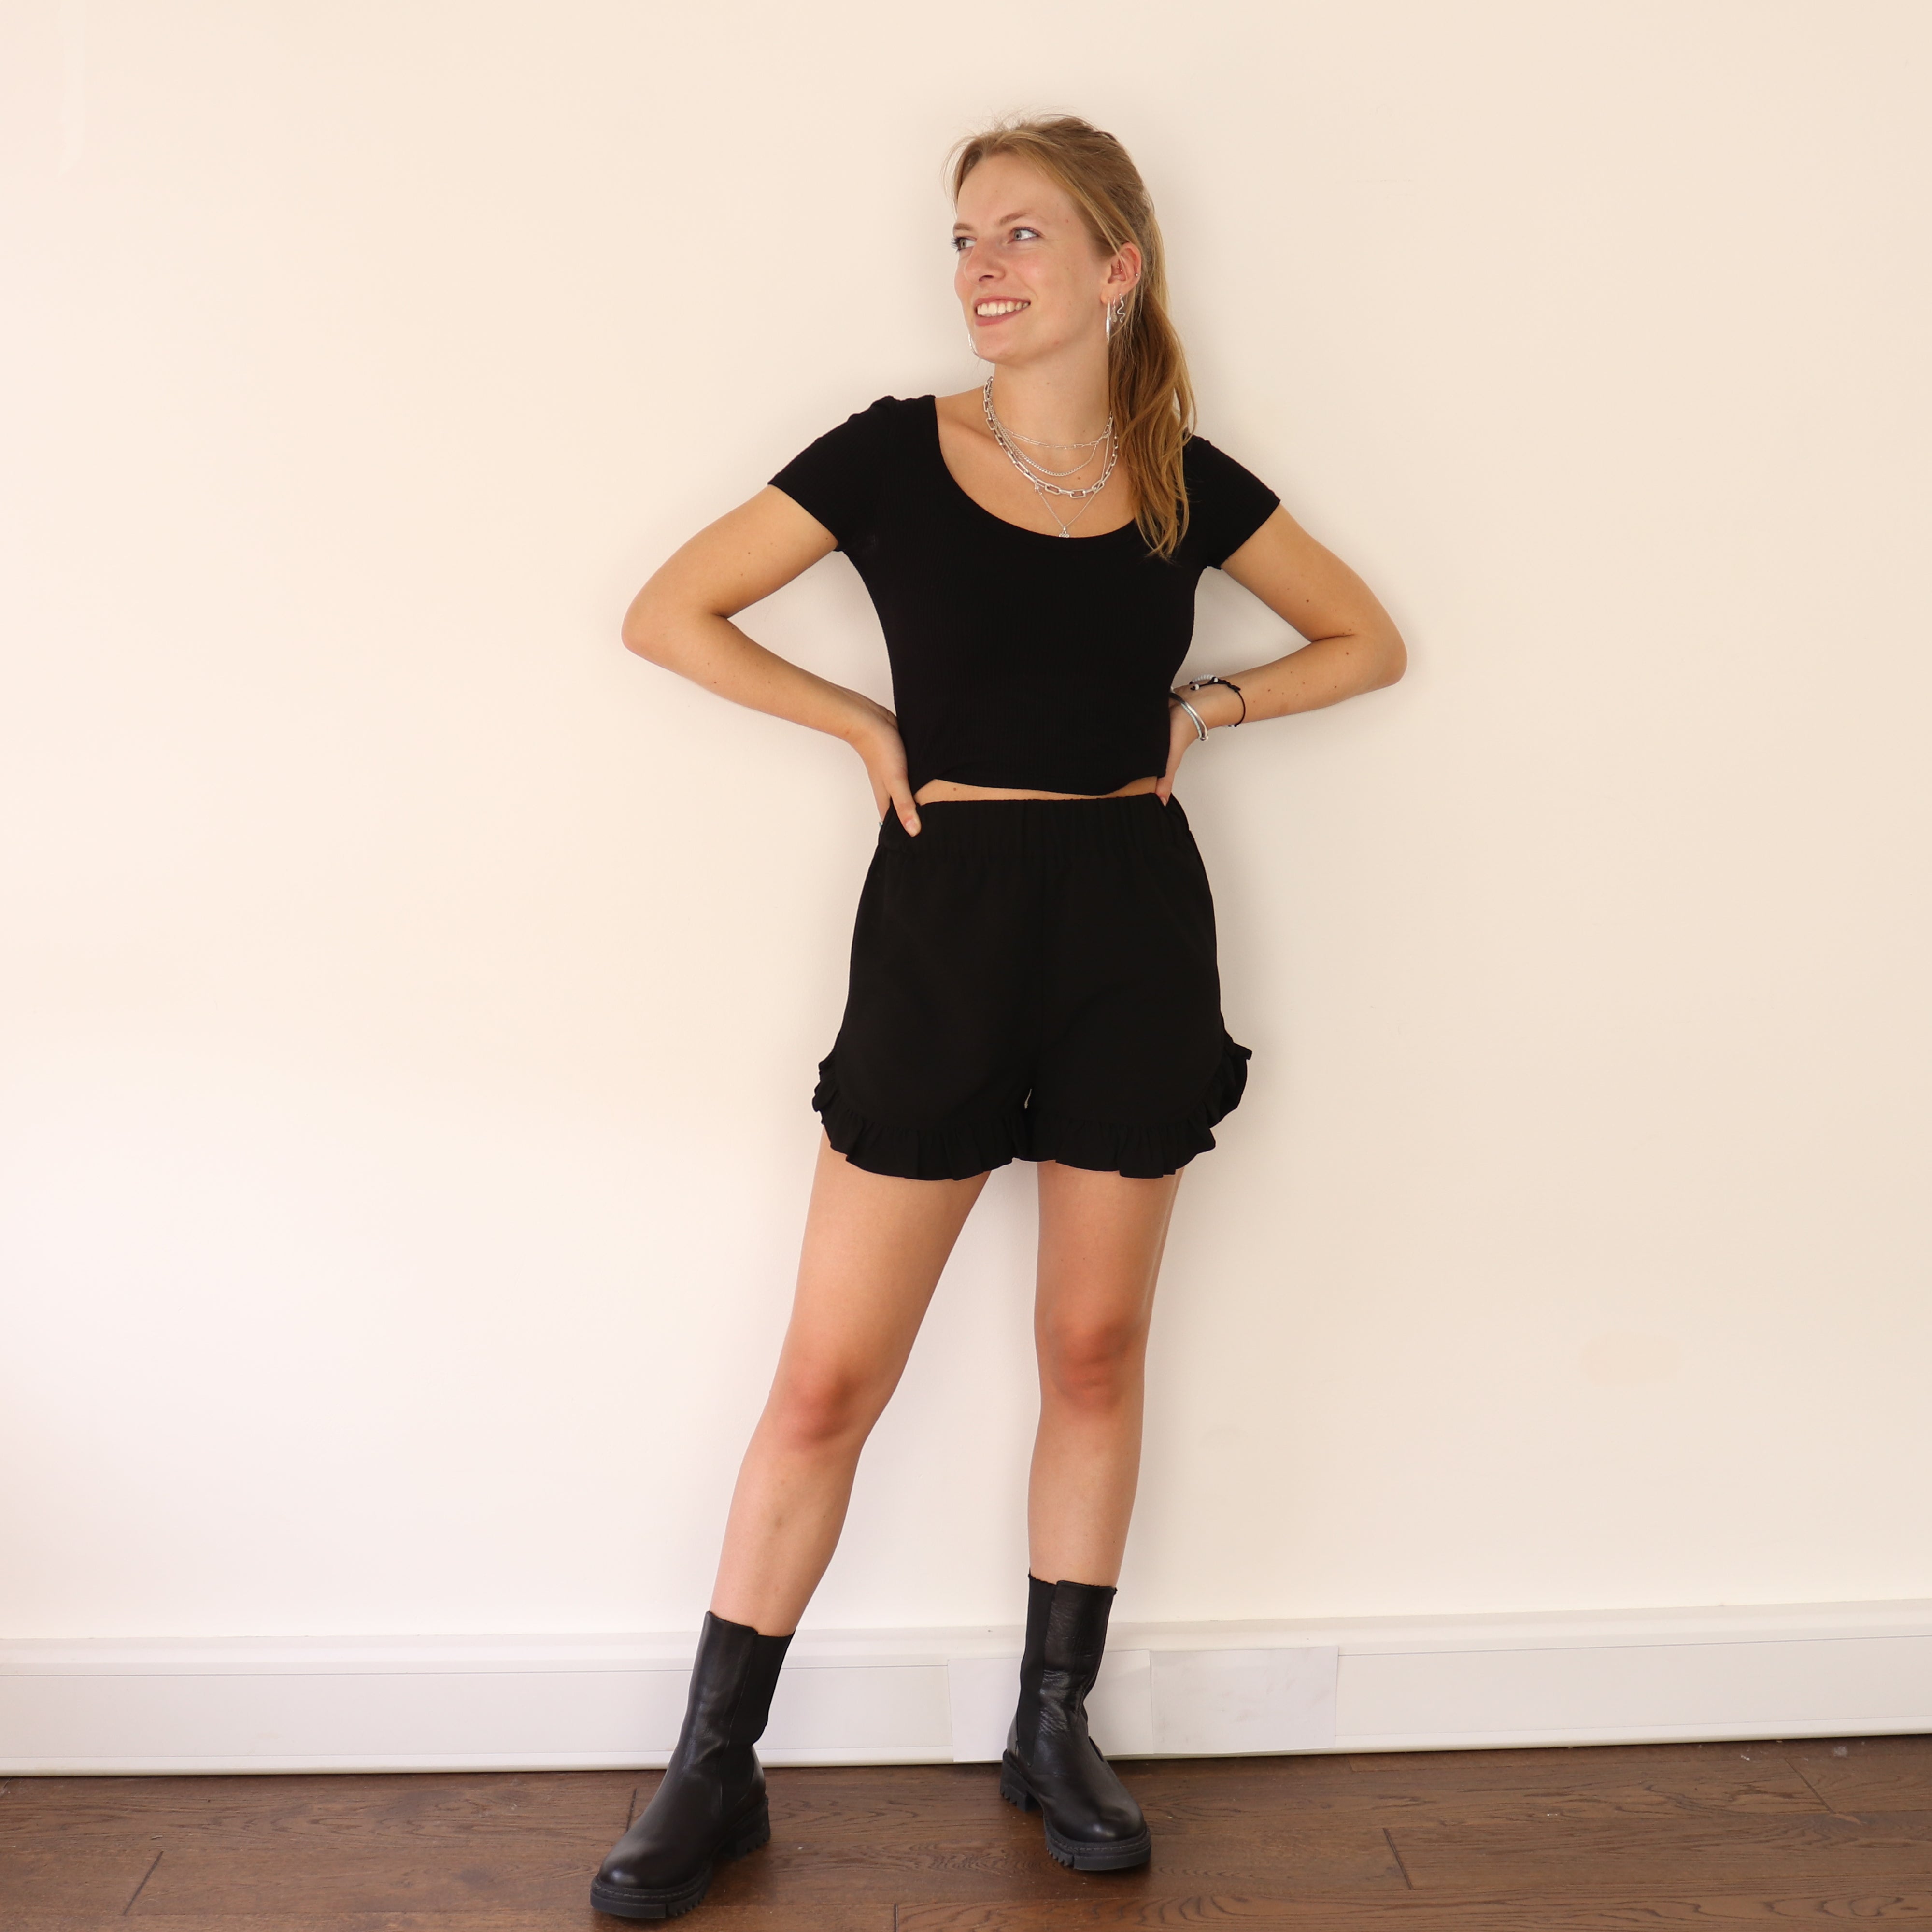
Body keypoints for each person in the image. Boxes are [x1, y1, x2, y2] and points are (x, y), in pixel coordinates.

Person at [590, 113, 1406, 1921]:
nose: (980, 267)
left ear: (1118, 268)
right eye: (964, 238)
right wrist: (861, 728)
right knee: (828, 1377)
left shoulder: (1179, 475)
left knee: (1094, 1349)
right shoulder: (890, 454)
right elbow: (670, 612)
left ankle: (1054, 1728)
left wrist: (1211, 710)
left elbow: (1367, 640)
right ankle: (714, 1769)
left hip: (1131, 924)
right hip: (947, 920)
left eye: (1021, 235)